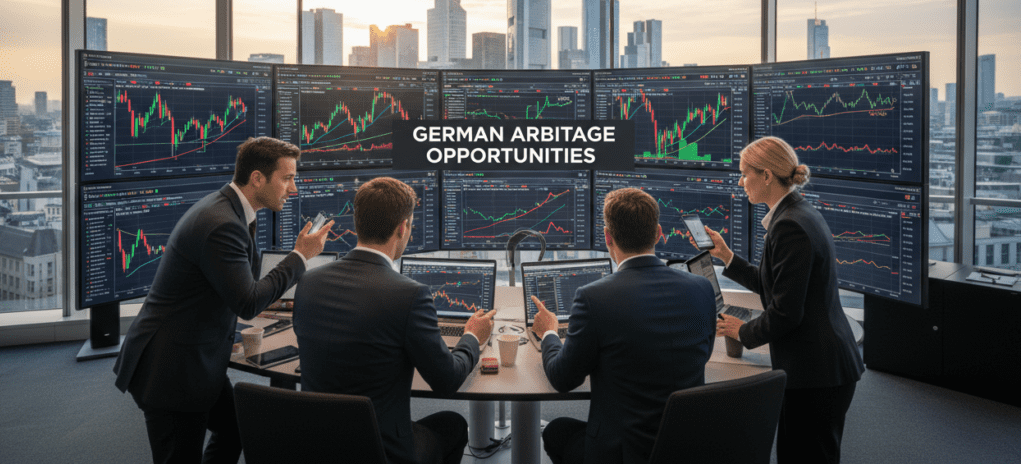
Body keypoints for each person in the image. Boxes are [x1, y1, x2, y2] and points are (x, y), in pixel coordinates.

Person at [113, 136, 333, 464]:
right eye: (287, 178)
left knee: (236, 429)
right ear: (257, 178)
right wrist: (300, 257)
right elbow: (247, 302)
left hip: (196, 360)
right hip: (172, 370)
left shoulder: (230, 211)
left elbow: (232, 288)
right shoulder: (222, 225)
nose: (294, 189)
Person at [293, 176, 496, 464]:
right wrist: (472, 336)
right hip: (381, 450)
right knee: (453, 423)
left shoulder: (309, 281)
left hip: (317, 446)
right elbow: (447, 380)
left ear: (357, 222)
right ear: (403, 227)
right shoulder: (409, 295)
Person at [702, 135, 864, 464]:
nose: (740, 180)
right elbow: (774, 284)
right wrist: (728, 257)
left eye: (745, 172)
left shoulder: (789, 226)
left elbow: (786, 312)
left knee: (805, 455)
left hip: (818, 370)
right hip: (818, 365)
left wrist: (741, 332)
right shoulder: (795, 212)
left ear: (766, 176)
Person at [531, 187, 717, 464]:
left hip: (623, 453)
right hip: (686, 448)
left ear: (608, 237)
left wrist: (548, 331)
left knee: (557, 431)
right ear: (658, 233)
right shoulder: (702, 288)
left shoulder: (593, 297)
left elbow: (563, 380)